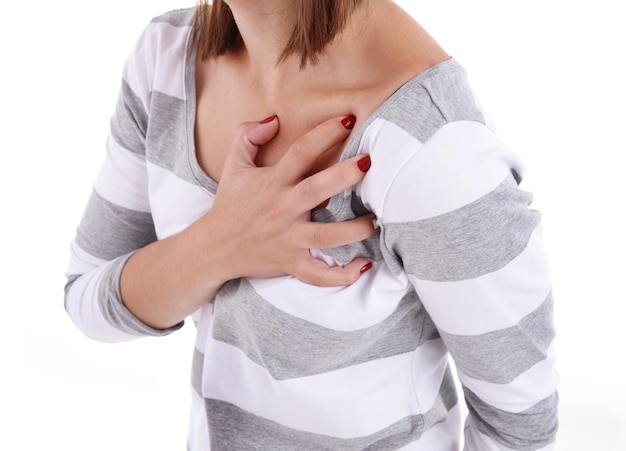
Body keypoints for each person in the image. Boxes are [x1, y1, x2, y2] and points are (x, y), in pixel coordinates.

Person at [64, 0, 559, 449]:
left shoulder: (432, 146)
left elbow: (519, 429)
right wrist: (220, 243)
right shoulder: (166, 58)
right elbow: (88, 300)